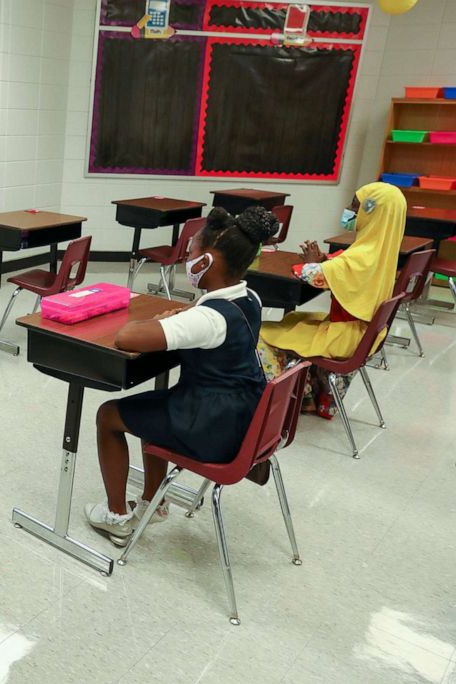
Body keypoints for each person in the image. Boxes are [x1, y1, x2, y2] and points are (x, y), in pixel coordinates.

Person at [85, 207, 278, 543]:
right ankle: (153, 503)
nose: (187, 260)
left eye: (191, 253)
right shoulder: (249, 297)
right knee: (152, 406)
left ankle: (116, 516)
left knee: (109, 415)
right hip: (243, 419)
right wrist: (183, 314)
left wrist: (159, 321)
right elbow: (208, 318)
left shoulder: (207, 319)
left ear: (208, 262)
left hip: (211, 428)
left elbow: (126, 337)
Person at [258, 182, 405, 417]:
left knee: (259, 334)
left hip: (344, 337)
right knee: (294, 318)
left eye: (354, 206)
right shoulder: (383, 250)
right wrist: (325, 260)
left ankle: (288, 399)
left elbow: (312, 275)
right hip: (365, 334)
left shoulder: (362, 255)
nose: (349, 210)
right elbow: (342, 265)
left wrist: (312, 264)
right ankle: (306, 394)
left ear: (371, 212)